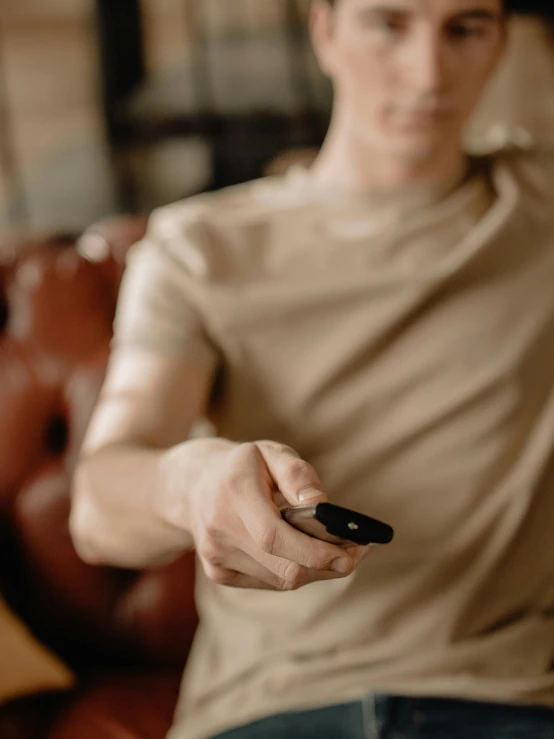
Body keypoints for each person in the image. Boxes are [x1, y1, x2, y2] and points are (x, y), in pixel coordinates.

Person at [69, 0, 554, 737]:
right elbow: (97, 506)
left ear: (500, 43)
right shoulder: (197, 248)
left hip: (509, 702)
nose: (428, 73)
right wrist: (190, 480)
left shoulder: (540, 201)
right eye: (388, 23)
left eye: (465, 28)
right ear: (324, 32)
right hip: (268, 708)